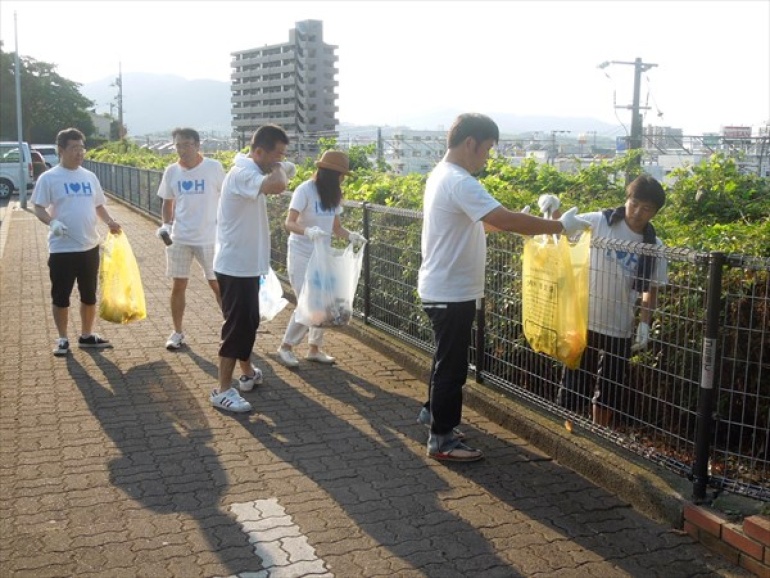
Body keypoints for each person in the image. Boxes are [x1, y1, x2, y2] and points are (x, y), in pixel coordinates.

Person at [417, 113, 590, 462]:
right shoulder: (460, 180)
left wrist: (520, 221)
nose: (487, 157)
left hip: (442, 286)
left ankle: (432, 415)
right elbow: (504, 219)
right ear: (471, 143)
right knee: (452, 366)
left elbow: (477, 226)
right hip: (452, 291)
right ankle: (442, 439)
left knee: (444, 359)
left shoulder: (441, 175)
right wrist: (558, 226)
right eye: (487, 150)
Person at [539, 175, 667, 426]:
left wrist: (644, 324)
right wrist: (551, 207)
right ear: (627, 199)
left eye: (647, 209)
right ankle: (567, 433)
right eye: (635, 203)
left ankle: (600, 436)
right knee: (575, 379)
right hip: (585, 318)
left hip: (620, 325)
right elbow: (565, 224)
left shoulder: (654, 246)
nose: (638, 212)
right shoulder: (601, 221)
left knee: (610, 387)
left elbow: (651, 289)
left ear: (654, 213)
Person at [210, 125, 295, 413]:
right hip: (235, 267)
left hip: (244, 266)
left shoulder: (254, 170)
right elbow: (278, 185)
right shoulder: (243, 174)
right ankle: (221, 389)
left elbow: (282, 175)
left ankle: (246, 373)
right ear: (259, 151)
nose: (280, 160)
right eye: (277, 154)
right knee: (237, 328)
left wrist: (279, 164)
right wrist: (280, 168)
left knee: (247, 323)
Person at [32, 127, 122, 357]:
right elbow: (38, 207)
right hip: (62, 249)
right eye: (74, 148)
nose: (79, 153)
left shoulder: (89, 176)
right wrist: (52, 223)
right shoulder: (49, 178)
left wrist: (110, 222)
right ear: (61, 150)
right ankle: (62, 338)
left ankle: (86, 335)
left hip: (89, 246)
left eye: (82, 148)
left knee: (89, 294)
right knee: (61, 296)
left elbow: (98, 205)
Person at [276, 150, 366, 368]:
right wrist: (307, 231)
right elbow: (289, 222)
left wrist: (351, 236)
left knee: (320, 302)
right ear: (329, 173)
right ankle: (286, 347)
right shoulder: (304, 190)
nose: (343, 179)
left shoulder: (333, 195)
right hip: (301, 253)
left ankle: (314, 348)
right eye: (340, 175)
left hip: (321, 254)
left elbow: (336, 228)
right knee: (307, 301)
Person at [156, 127, 226, 350]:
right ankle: (177, 332)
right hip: (180, 237)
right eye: (178, 145)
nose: (182, 149)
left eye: (186, 144)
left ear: (197, 145)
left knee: (218, 285)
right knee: (178, 285)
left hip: (209, 237)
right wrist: (166, 225)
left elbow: (227, 200)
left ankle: (230, 329)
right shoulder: (171, 171)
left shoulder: (213, 168)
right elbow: (168, 202)